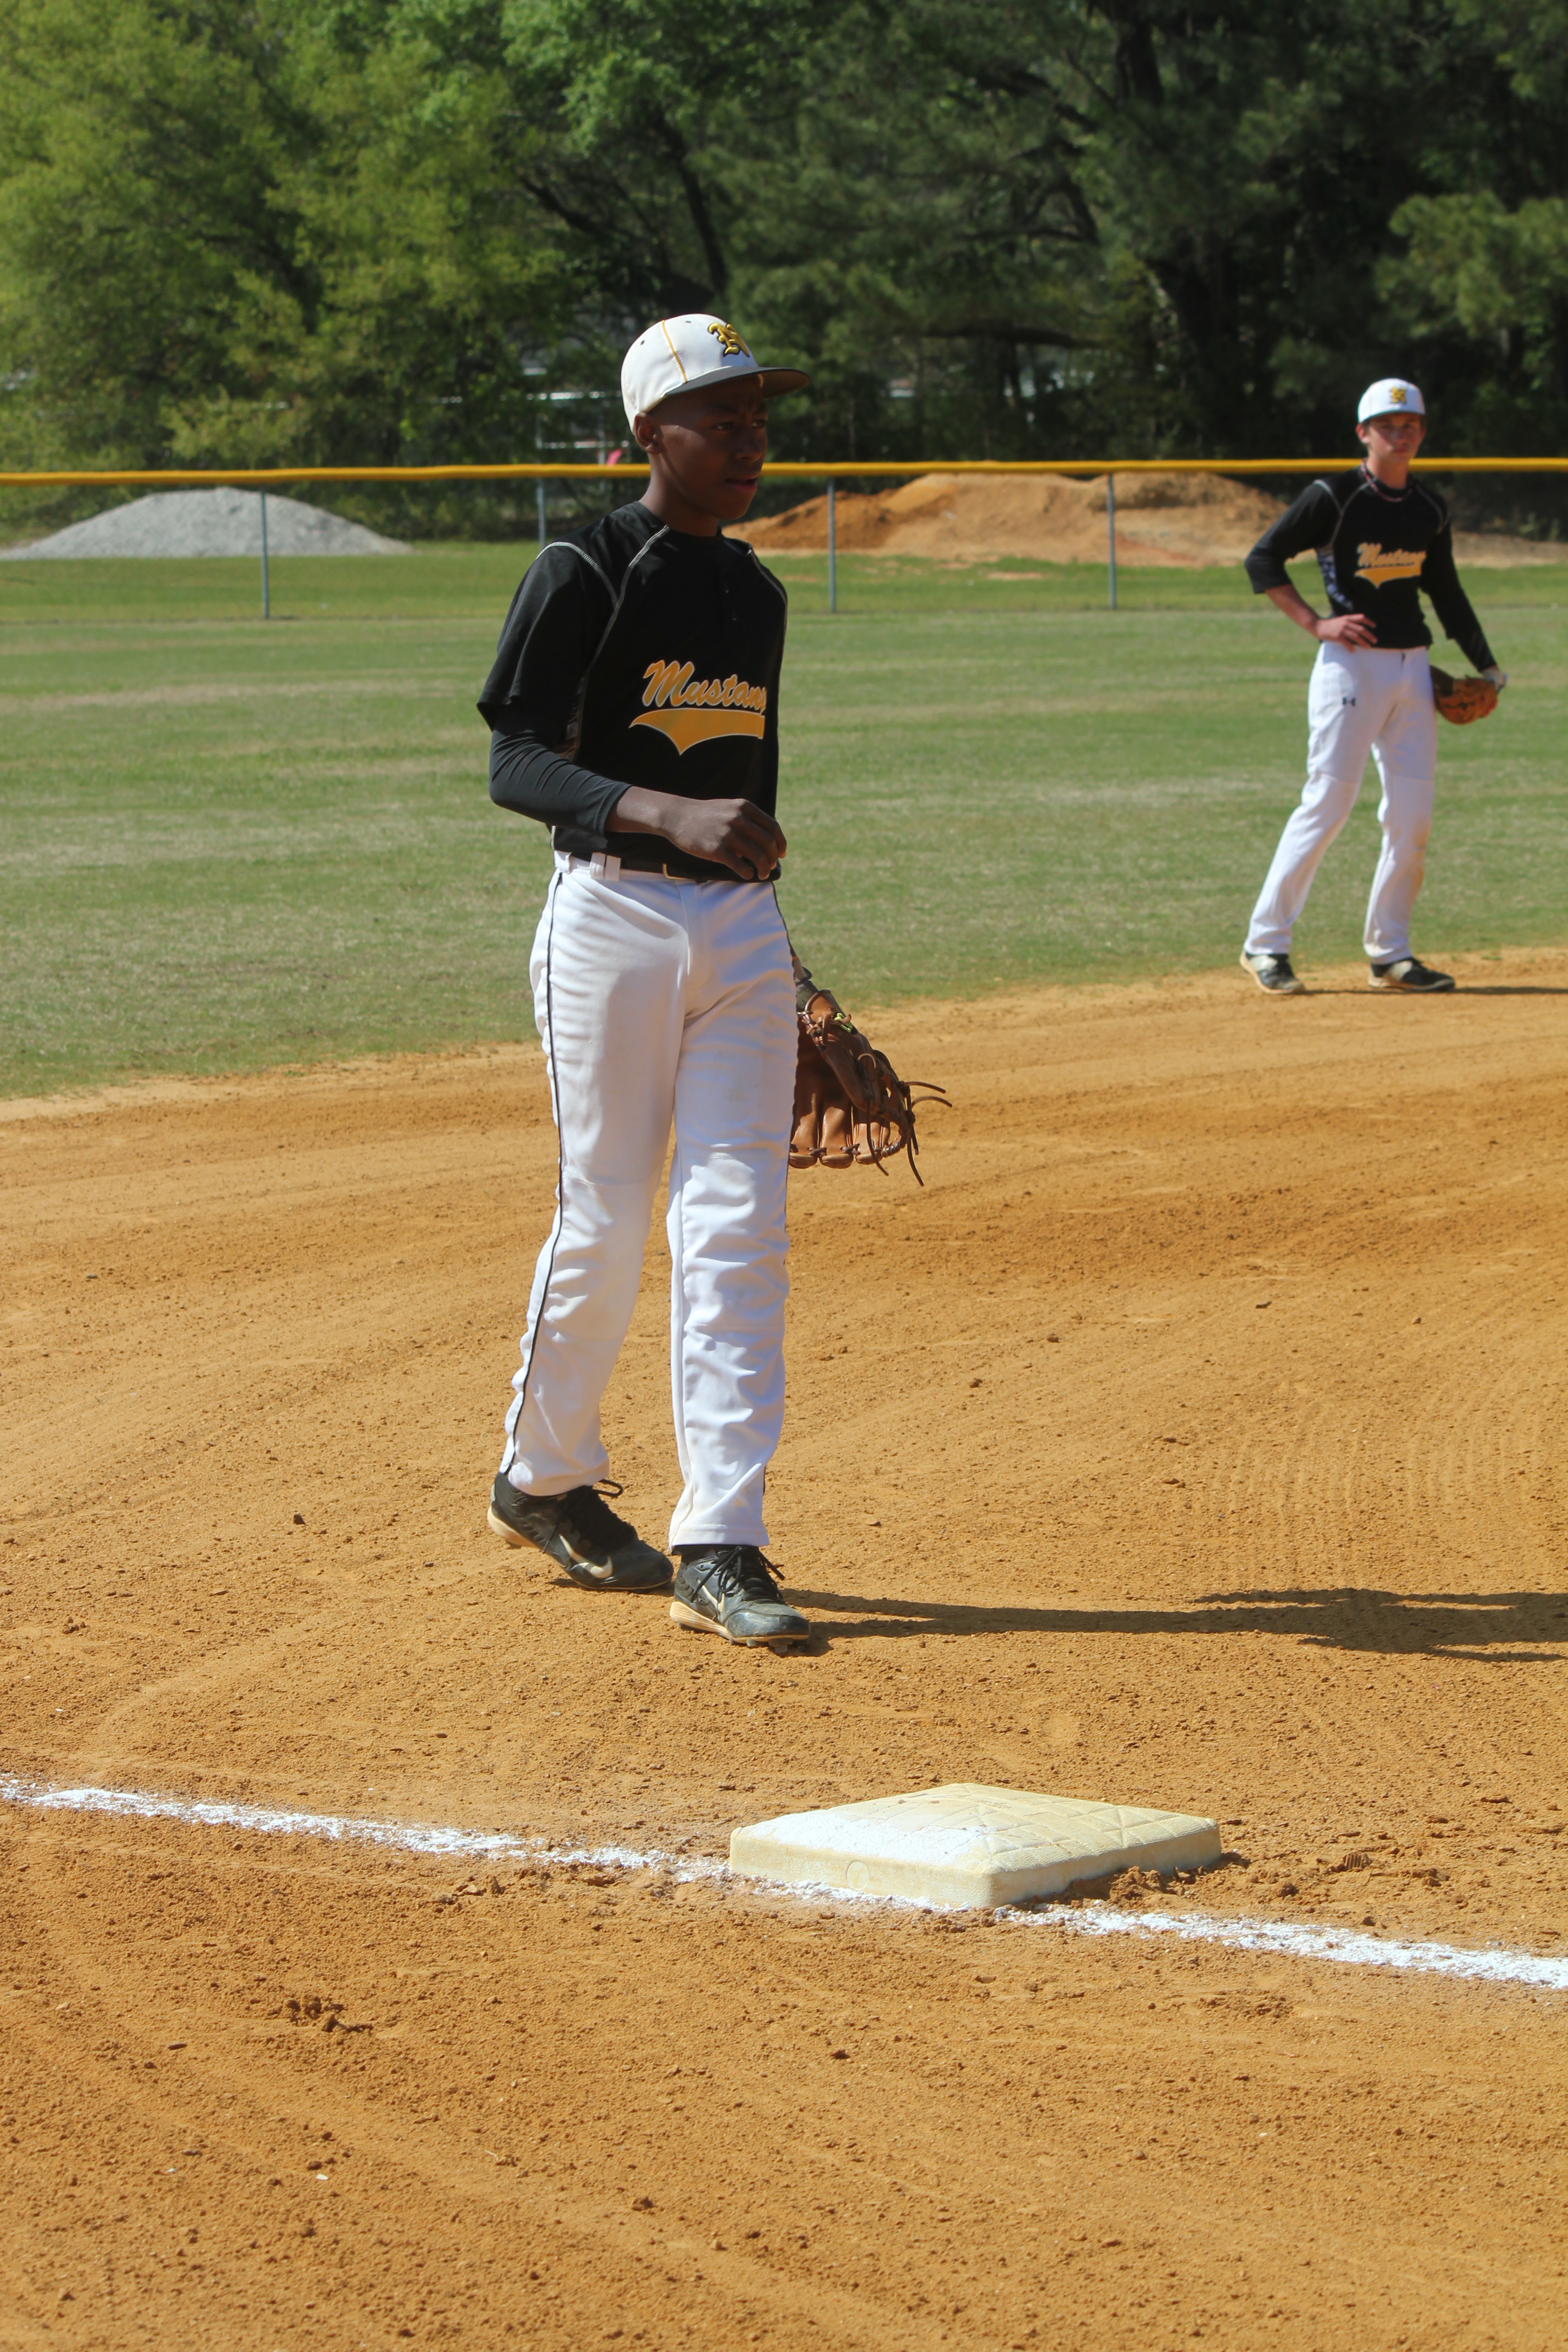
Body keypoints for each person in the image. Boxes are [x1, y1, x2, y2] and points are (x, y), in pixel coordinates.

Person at [476, 313, 818, 1649]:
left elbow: (751, 795)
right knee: (609, 1219)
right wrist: (663, 815)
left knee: (738, 1229)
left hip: (741, 937)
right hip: (608, 921)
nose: (750, 438)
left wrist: (789, 956)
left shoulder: (759, 593)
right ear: (650, 435)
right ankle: (543, 1475)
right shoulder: (585, 567)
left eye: (759, 416)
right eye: (721, 416)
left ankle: (721, 1539)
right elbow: (514, 761)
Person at [1238, 377, 1506, 995]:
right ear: (1364, 433)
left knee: (1412, 819)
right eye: (1388, 425)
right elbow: (1263, 558)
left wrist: (1490, 668)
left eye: (1411, 422)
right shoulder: (1333, 497)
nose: (1401, 432)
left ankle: (1390, 953)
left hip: (1415, 671)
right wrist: (1315, 623)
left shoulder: (1429, 507)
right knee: (1327, 805)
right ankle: (1265, 944)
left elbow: (1446, 591)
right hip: (1351, 666)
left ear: (1422, 431)